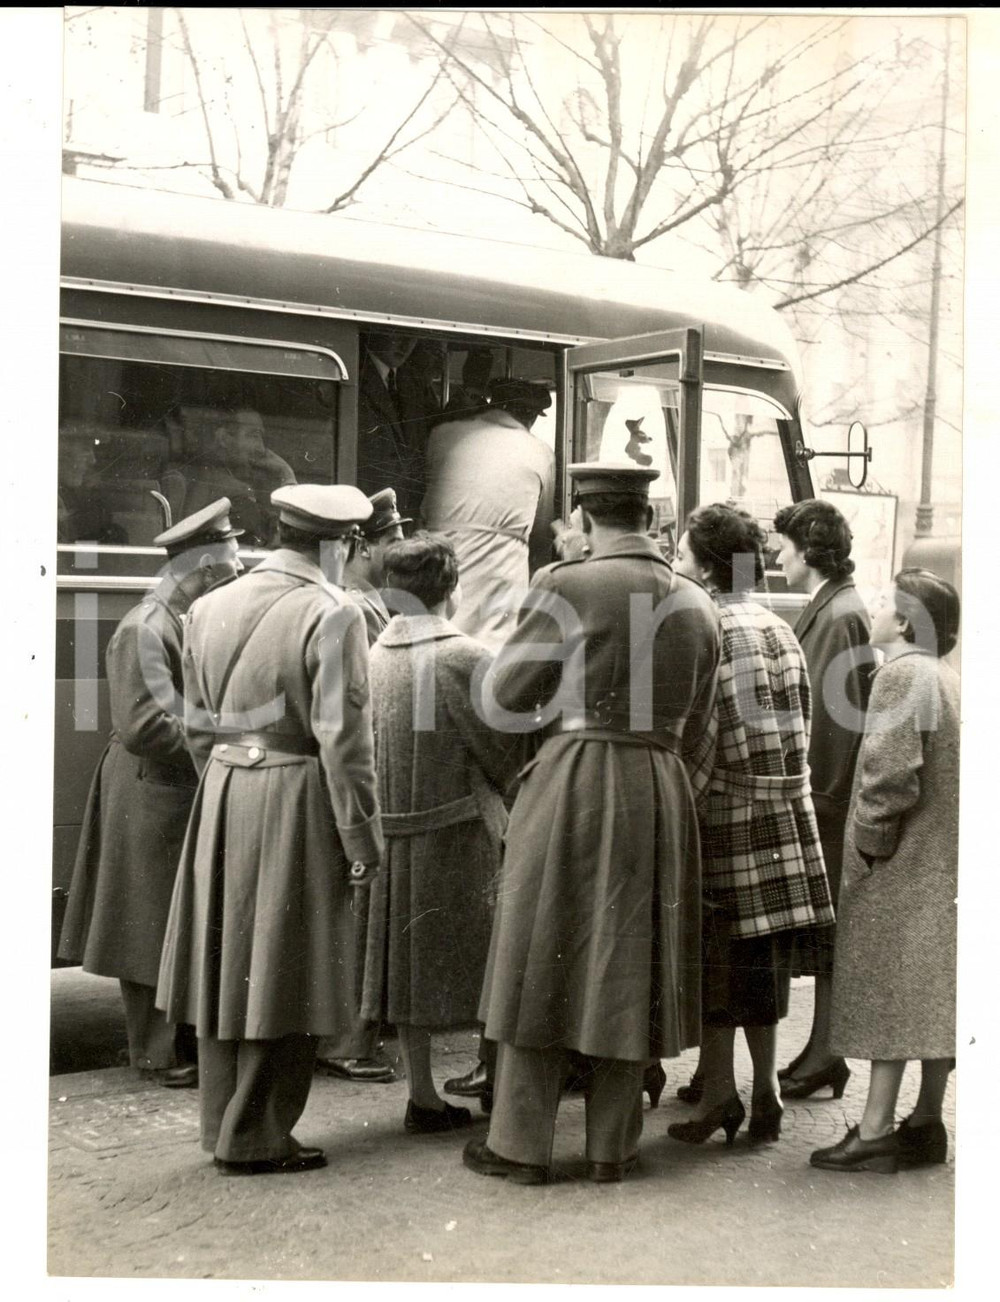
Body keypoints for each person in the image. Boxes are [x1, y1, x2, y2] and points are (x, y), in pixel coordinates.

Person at [462, 463, 721, 1185]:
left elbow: (503, 698)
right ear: (649, 517)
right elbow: (701, 721)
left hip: (575, 780)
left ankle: (519, 1145)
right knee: (630, 960)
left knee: (539, 950)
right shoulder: (698, 602)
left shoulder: (564, 584)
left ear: (583, 516)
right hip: (661, 788)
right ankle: (613, 1146)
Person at [156, 484, 383, 1176]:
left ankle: (223, 1124)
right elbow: (344, 742)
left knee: (229, 965)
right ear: (339, 542)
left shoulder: (208, 606)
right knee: (290, 965)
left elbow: (197, 725)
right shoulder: (333, 611)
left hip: (225, 790)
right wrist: (361, 839)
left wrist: (227, 782)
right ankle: (256, 1135)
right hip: (295, 794)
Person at [58, 499, 244, 1087]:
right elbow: (144, 727)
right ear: (205, 567)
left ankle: (169, 1044)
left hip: (165, 786)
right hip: (149, 788)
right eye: (233, 559)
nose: (239, 569)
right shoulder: (146, 626)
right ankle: (155, 1052)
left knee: (166, 915)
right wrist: (222, 731)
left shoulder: (174, 618)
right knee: (146, 919)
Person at [666, 505, 835, 1148]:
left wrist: (676, 807)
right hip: (783, 816)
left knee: (716, 964)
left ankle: (718, 1096)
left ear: (708, 569)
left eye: (683, 556)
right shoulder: (778, 625)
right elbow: (805, 724)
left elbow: (701, 741)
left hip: (727, 818)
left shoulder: (708, 626)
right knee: (762, 970)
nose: (676, 565)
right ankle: (765, 1093)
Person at [357, 533, 519, 1133]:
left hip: (392, 837)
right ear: (453, 588)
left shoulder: (372, 656)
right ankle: (498, 1081)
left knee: (407, 972)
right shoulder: (465, 657)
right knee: (491, 962)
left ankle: (422, 1095)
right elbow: (505, 753)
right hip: (460, 835)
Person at [810, 569, 959, 1174]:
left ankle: (873, 1130)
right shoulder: (943, 675)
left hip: (900, 865)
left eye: (882, 604)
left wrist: (869, 847)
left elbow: (889, 776)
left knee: (887, 995)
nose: (872, 610)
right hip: (936, 866)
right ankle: (925, 1123)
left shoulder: (901, 674)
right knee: (930, 996)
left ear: (903, 623)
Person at [769, 499, 875, 1102]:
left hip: (827, 801)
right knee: (825, 936)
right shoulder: (834, 606)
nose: (777, 555)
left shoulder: (837, 616)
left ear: (809, 551)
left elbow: (835, 722)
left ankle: (827, 1053)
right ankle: (822, 1052)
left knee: (830, 936)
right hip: (826, 797)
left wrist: (820, 799)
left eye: (784, 546)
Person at [314, 487, 411, 1085]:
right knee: (355, 909)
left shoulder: (367, 604)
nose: (402, 546)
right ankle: (346, 1040)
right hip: (358, 774)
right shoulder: (356, 607)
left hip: (361, 772)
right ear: (365, 547)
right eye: (393, 538)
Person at [420, 378, 555, 652]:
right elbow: (541, 532)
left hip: (438, 575)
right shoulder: (540, 452)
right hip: (499, 582)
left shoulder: (441, 435)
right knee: (489, 660)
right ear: (530, 416)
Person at [163, 407, 295, 547]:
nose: (261, 448)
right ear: (224, 439)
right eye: (254, 435)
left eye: (261, 437)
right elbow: (284, 538)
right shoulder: (224, 487)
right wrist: (286, 473)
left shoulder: (234, 482)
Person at [357, 332, 432, 519]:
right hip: (364, 512)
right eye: (397, 333)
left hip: (403, 516)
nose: (405, 344)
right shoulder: (353, 372)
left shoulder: (413, 383)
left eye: (412, 336)